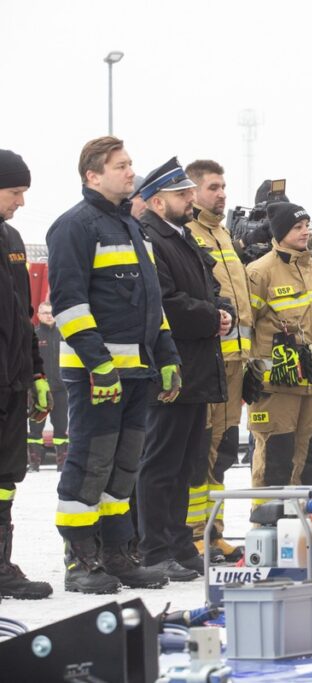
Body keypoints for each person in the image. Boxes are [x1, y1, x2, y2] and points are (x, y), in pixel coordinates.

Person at [48, 136, 180, 593]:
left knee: (124, 468)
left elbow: (152, 304)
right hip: (96, 376)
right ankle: (80, 560)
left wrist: (167, 357)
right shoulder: (74, 227)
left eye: (130, 165)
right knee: (90, 464)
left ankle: (117, 555)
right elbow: (68, 305)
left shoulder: (132, 228)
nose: (130, 172)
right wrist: (98, 364)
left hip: (137, 373)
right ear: (92, 175)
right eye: (121, 166)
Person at [136, 157, 230, 580]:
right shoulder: (152, 239)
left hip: (195, 366)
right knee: (160, 463)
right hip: (170, 368)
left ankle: (177, 543)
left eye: (191, 191)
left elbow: (209, 288)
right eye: (182, 194)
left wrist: (221, 311)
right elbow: (166, 302)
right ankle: (154, 549)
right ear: (158, 202)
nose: (191, 199)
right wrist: (213, 317)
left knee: (185, 463)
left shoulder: (182, 237)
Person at [183, 159, 249, 563]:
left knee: (223, 450)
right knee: (201, 451)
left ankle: (214, 530)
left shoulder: (225, 235)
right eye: (213, 187)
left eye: (223, 186)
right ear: (193, 192)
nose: (221, 194)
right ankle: (191, 533)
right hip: (207, 361)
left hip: (236, 362)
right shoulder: (188, 235)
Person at [247, 202, 312, 490]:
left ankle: (304, 525)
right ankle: (267, 523)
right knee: (276, 460)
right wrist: (247, 370)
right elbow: (246, 324)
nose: (305, 231)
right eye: (297, 227)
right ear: (280, 231)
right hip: (277, 386)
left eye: (307, 226)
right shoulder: (260, 272)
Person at [0, 149, 53, 599]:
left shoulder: (13, 240)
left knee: (5, 476)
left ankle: (0, 563)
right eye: (14, 191)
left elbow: (23, 316)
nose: (20, 201)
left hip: (13, 382)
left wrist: (36, 372)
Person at [28, 301, 69, 472]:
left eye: (51, 312)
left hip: (61, 389)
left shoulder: (63, 335)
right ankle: (34, 464)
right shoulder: (35, 336)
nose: (49, 316)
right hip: (40, 390)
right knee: (35, 428)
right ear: (38, 315)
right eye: (45, 313)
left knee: (61, 427)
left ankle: (62, 464)